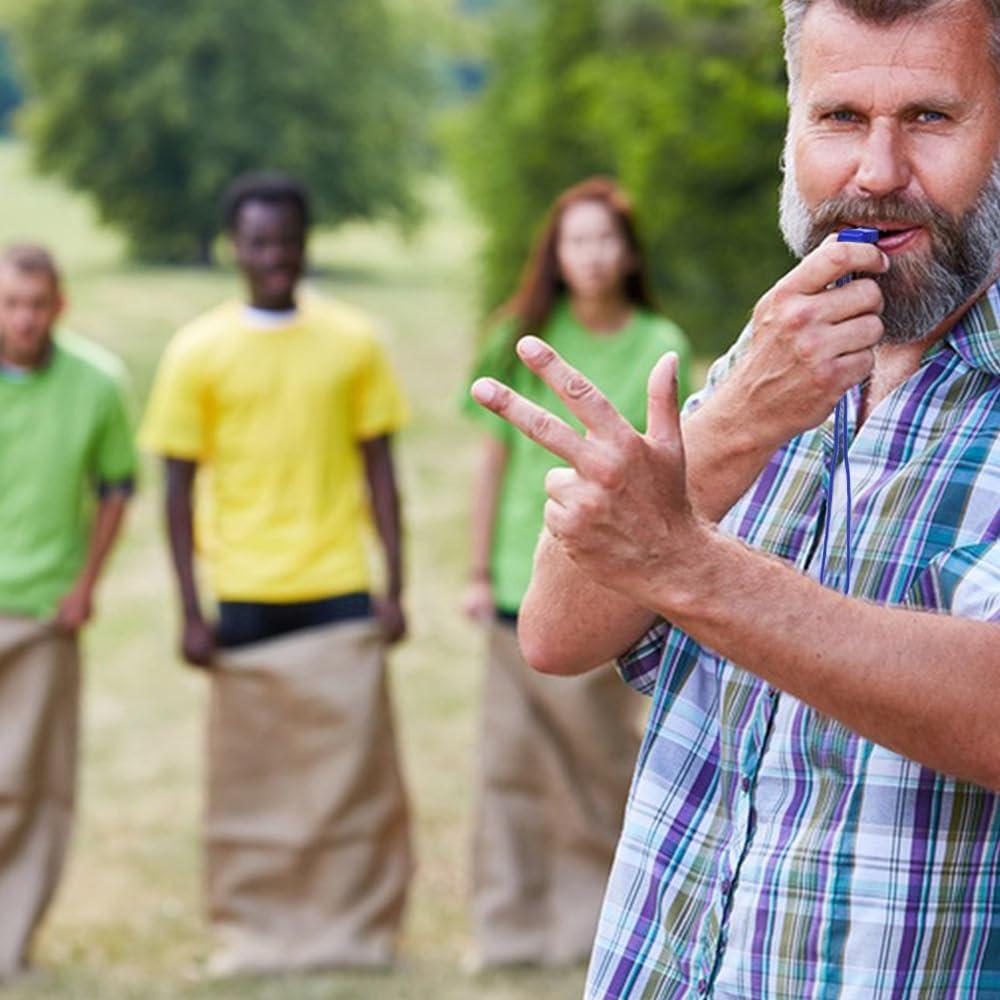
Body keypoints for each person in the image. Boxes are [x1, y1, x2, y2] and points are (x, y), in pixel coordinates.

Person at [471, 0, 1000, 995]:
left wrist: (690, 564)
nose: (877, 170)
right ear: (791, 129)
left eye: (929, 118)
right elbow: (555, 631)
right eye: (839, 117)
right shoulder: (763, 364)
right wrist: (735, 423)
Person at [139, 174, 412, 975]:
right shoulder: (197, 350)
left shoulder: (354, 342)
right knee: (256, 786)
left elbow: (383, 474)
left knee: (351, 782)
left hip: (337, 587)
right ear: (236, 247)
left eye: (287, 240)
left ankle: (351, 931)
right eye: (259, 242)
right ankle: (257, 933)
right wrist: (190, 608)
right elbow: (177, 489)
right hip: (247, 595)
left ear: (306, 241)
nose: (275, 257)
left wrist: (395, 586)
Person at [460, 177, 692, 969]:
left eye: (605, 238)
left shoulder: (660, 340)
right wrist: (474, 570)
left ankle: (589, 926)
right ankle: (508, 930)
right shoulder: (520, 337)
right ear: (554, 255)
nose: (591, 254)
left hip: (608, 581)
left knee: (598, 762)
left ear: (627, 252)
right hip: (515, 579)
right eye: (575, 240)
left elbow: (672, 470)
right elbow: (489, 465)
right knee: (508, 764)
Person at [0, 245, 136, 981]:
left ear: (60, 305)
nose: (23, 318)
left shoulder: (98, 382)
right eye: (10, 303)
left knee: (29, 783)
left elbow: (117, 486)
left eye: (36, 304)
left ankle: (8, 943)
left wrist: (86, 582)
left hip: (45, 609)